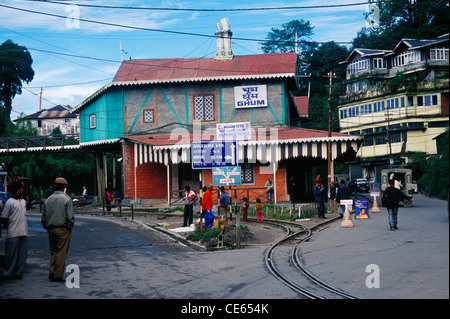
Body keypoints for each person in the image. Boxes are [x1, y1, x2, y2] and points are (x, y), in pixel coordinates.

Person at [42, 177, 74, 282]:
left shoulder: (48, 200)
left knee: (53, 251)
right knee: (61, 252)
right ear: (64, 187)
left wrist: (47, 227)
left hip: (50, 229)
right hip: (63, 229)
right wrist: (69, 227)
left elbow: (43, 217)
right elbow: (70, 217)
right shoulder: (66, 199)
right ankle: (58, 274)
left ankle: (51, 272)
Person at [1, 182, 28, 280]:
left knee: (22, 255)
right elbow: (4, 218)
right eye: (21, 188)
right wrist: (9, 228)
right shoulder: (9, 202)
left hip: (23, 232)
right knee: (11, 255)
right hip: (13, 233)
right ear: (18, 189)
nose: (22, 190)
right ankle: (7, 273)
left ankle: (18, 272)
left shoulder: (22, 201)